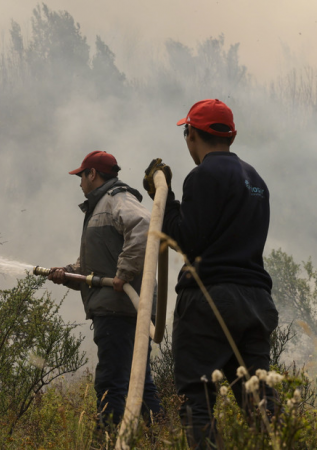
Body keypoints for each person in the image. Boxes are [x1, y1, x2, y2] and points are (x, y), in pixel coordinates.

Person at [144, 99, 278, 448]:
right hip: (255, 304)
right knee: (262, 405)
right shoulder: (257, 180)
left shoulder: (203, 175)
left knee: (197, 401)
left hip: (209, 301)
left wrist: (165, 197)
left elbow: (187, 239)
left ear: (191, 135)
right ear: (230, 135)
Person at [48, 150, 162, 434]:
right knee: (139, 380)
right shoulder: (101, 206)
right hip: (121, 307)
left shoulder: (117, 198)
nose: (79, 183)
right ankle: (159, 437)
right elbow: (96, 267)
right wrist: (68, 274)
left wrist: (124, 274)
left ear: (93, 174)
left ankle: (108, 440)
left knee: (111, 382)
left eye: (81, 176)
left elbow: (144, 227)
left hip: (120, 310)